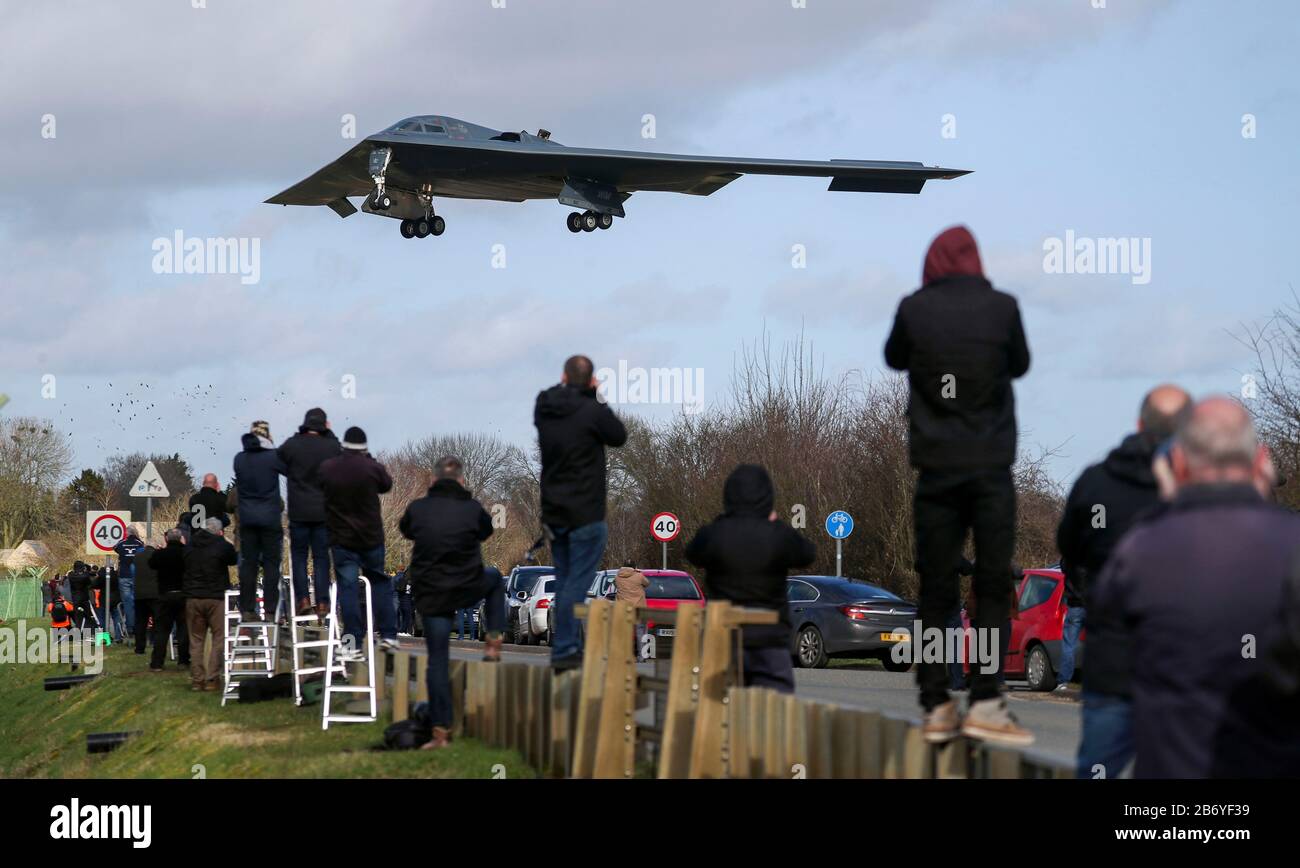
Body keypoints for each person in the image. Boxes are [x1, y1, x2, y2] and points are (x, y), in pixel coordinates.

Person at [1090, 397, 1300, 777]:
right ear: (1260, 461)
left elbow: (1110, 636)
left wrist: (1170, 505)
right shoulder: (1290, 544)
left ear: (1179, 464)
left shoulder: (1140, 549)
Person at [884, 224, 1032, 746]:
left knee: (937, 587)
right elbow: (1022, 363)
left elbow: (894, 357)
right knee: (992, 582)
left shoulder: (913, 308)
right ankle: (987, 699)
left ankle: (935, 703)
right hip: (991, 466)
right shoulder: (1004, 307)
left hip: (937, 467)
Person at [1055, 385, 1190, 778]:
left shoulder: (1096, 482)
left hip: (1112, 659)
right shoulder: (1197, 486)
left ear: (1137, 423)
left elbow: (1069, 548)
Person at [400, 455, 507, 749]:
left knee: (437, 661)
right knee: (496, 579)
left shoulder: (418, 509)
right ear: (461, 480)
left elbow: (406, 529)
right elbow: (486, 531)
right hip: (466, 584)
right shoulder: (472, 508)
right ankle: (494, 639)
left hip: (432, 594)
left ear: (433, 481)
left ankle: (440, 732)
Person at [686, 465, 815, 692]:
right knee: (775, 708)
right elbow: (807, 553)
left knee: (719, 707)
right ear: (768, 497)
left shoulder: (714, 534)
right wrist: (775, 523)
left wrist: (722, 521)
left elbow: (692, 552)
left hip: (723, 636)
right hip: (769, 638)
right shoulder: (777, 535)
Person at [535, 354, 628, 670]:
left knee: (563, 578)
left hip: (554, 511)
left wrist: (576, 388)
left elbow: (554, 396)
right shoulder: (592, 411)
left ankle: (568, 643)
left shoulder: (544, 405)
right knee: (577, 580)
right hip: (586, 511)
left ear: (563, 376)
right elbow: (618, 435)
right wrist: (596, 397)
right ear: (591, 381)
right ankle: (564, 648)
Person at [319, 426, 396, 655]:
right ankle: (389, 635)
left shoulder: (329, 468)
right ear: (364, 447)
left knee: (349, 589)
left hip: (342, 539)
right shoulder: (371, 467)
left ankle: (352, 642)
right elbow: (386, 484)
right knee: (380, 583)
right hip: (370, 538)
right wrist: (369, 460)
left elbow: (319, 483)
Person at [278, 408, 342, 616]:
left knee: (299, 556)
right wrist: (329, 433)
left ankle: (303, 598)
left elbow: (279, 459)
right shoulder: (331, 446)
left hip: (299, 510)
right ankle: (323, 601)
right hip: (324, 511)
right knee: (321, 557)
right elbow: (339, 452)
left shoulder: (293, 445)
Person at [233, 423, 287, 621]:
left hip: (247, 520)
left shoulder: (239, 459)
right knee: (272, 565)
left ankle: (247, 608)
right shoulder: (273, 457)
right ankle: (271, 609)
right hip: (270, 519)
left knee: (249, 565)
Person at [183, 517, 237, 691]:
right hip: (216, 597)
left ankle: (197, 680)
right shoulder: (221, 545)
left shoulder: (191, 544)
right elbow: (234, 558)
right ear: (219, 531)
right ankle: (212, 679)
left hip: (193, 597)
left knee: (196, 640)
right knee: (219, 638)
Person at [149, 528, 190, 671]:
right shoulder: (187, 553)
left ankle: (157, 662)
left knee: (162, 630)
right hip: (183, 594)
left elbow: (151, 563)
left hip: (165, 595)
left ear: (167, 539)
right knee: (183, 629)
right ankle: (184, 660)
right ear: (181, 539)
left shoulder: (160, 554)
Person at [113, 529, 145, 636]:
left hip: (124, 575)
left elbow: (114, 547)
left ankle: (130, 627)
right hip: (137, 576)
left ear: (127, 534)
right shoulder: (140, 543)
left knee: (127, 603)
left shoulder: (122, 543)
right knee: (137, 602)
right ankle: (137, 625)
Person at [132, 538, 161, 655]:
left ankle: (139, 648)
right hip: (155, 594)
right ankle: (155, 643)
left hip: (139, 594)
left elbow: (132, 573)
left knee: (140, 622)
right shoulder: (158, 556)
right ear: (155, 546)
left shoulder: (137, 557)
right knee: (157, 621)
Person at [392, 565, 414, 635]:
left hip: (401, 597)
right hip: (407, 598)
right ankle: (404, 630)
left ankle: (400, 629)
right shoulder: (409, 580)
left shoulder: (398, 578)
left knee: (401, 614)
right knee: (407, 615)